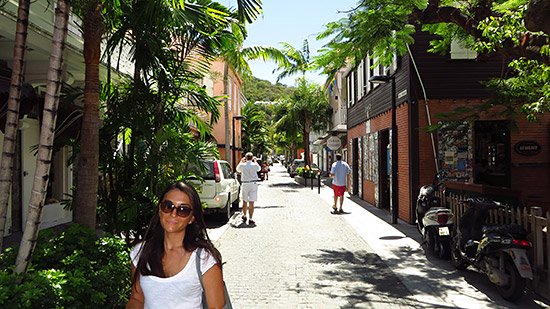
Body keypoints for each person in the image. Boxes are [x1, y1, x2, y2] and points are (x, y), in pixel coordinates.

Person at [127, 181, 226, 308]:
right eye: (168, 206)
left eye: (183, 210)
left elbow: (216, 307)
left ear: (191, 218)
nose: (173, 214)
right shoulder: (140, 252)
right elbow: (136, 299)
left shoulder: (204, 259)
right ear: (159, 210)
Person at [236, 152, 261, 225]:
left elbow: (237, 169)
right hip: (253, 184)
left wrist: (241, 161)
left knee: (244, 201)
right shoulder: (255, 165)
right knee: (251, 202)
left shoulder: (242, 165)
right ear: (252, 158)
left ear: (246, 158)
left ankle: (244, 215)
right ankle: (250, 218)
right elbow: (259, 169)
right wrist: (255, 161)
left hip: (245, 183)